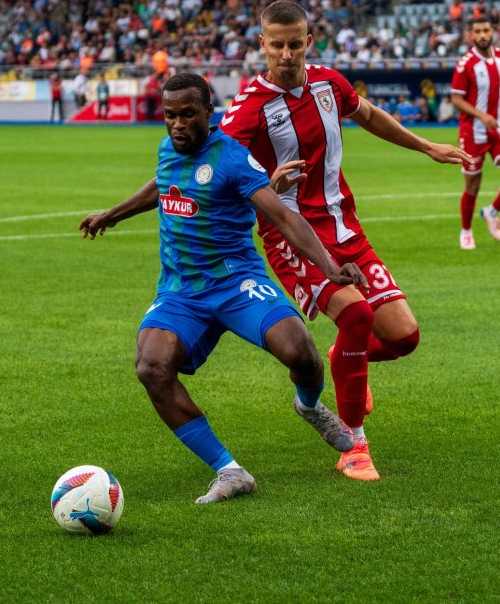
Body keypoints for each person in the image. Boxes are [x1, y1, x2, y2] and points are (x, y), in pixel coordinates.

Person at [79, 73, 367, 504]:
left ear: (208, 114)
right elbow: (163, 184)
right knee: (151, 367)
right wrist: (114, 214)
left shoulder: (233, 158)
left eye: (188, 115)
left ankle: (308, 405)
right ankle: (230, 472)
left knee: (301, 353)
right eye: (170, 115)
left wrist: (329, 267)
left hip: (237, 281)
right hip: (181, 291)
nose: (177, 124)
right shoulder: (166, 150)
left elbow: (285, 218)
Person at [220, 1, 471, 481]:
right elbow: (222, 176)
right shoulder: (247, 110)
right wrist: (268, 186)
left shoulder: (330, 83)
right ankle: (354, 445)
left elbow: (371, 115)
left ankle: (342, 362)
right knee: (356, 314)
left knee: (403, 337)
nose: (287, 53)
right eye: (277, 44)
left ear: (309, 42)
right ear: (262, 45)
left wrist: (426, 146)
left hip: (345, 229)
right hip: (290, 235)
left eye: (296, 43)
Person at [450, 15, 500, 251]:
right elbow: (456, 99)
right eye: (477, 31)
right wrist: (481, 115)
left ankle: (491, 212)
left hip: (499, 128)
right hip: (473, 132)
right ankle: (466, 231)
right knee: (472, 186)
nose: (482, 35)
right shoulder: (466, 64)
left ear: (493, 31)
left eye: (486, 30)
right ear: (471, 35)